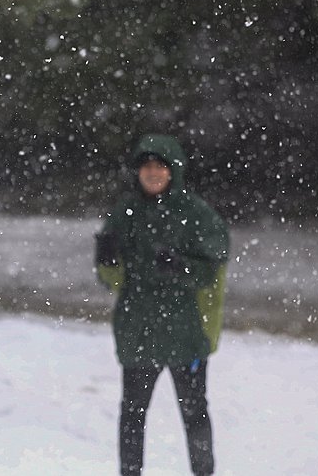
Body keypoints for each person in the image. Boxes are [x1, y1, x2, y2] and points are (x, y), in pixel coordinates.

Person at [94, 134, 230, 476]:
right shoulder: (125, 212)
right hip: (138, 331)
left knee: (194, 412)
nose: (153, 173)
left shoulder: (198, 215)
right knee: (132, 414)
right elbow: (113, 280)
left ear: (174, 171)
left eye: (161, 167)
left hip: (187, 333)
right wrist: (108, 261)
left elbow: (213, 273)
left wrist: (183, 267)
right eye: (147, 166)